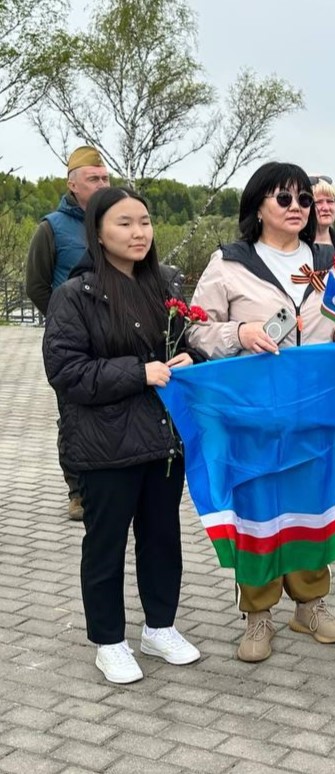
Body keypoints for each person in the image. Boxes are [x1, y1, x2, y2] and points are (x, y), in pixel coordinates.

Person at [188, 161, 335, 662]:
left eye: (304, 198)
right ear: (258, 205)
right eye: (285, 198)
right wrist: (239, 334)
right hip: (253, 414)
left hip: (314, 412)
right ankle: (258, 614)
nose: (298, 207)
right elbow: (195, 329)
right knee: (257, 511)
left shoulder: (329, 262)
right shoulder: (229, 263)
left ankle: (310, 604)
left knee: (311, 510)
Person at [42, 186, 202, 684]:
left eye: (145, 222)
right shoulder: (75, 295)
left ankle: (160, 627)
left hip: (161, 440)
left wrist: (191, 358)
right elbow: (67, 372)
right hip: (104, 444)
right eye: (124, 223)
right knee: (106, 544)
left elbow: (194, 340)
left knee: (162, 539)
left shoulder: (168, 285)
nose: (139, 233)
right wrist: (140, 372)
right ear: (98, 231)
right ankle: (108, 641)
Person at [27, 146, 111, 521]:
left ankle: (109, 481)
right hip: (73, 343)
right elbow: (37, 285)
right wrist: (69, 322)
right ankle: (77, 492)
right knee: (73, 416)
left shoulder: (115, 220)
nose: (102, 184)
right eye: (93, 179)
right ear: (73, 184)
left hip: (113, 337)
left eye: (106, 178)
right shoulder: (51, 228)